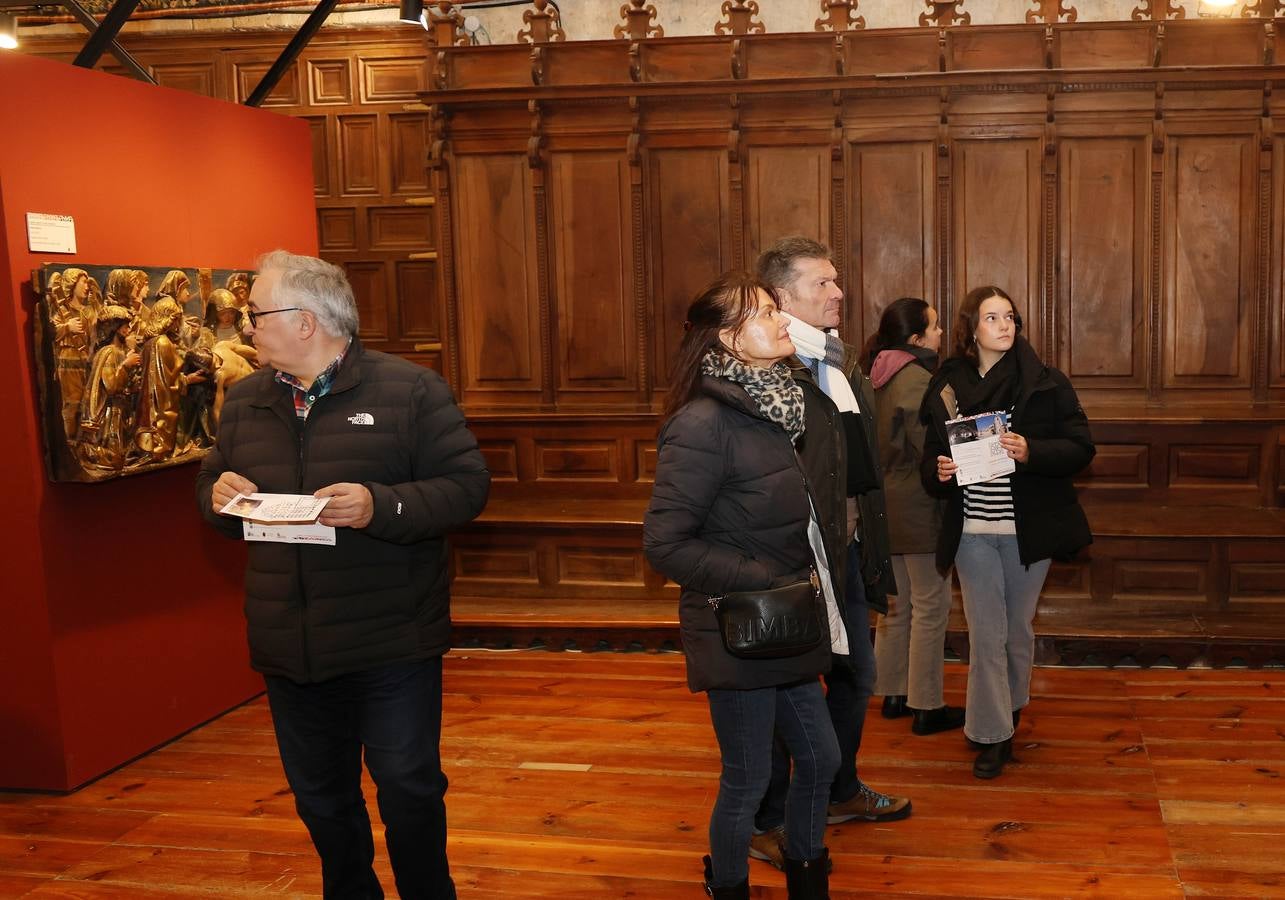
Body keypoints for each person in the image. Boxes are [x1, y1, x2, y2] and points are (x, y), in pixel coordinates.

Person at [196, 249, 490, 899]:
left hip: (390, 638)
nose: (247, 327)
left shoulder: (410, 391)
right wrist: (217, 497)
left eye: (256, 314)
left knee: (408, 786)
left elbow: (467, 489)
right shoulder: (244, 401)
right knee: (321, 796)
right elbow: (211, 494)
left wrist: (379, 504)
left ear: (305, 322)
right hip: (288, 640)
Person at [644, 270, 840, 900]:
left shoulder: (776, 405)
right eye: (764, 313)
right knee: (750, 777)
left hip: (787, 615)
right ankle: (729, 886)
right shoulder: (703, 425)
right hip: (737, 624)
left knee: (820, 760)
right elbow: (666, 543)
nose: (783, 320)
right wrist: (758, 578)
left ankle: (808, 879)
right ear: (727, 339)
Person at [748, 238, 908, 870]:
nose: (838, 292)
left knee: (855, 676)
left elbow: (856, 468)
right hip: (792, 558)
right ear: (781, 297)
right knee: (781, 690)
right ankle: (768, 816)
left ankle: (838, 790)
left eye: (837, 282)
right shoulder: (766, 367)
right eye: (822, 284)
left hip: (844, 549)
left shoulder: (835, 364)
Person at [920, 285, 1094, 779]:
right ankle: (992, 734)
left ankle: (1010, 708)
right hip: (972, 531)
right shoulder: (946, 385)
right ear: (970, 328)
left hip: (1028, 532)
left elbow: (1082, 448)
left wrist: (1030, 450)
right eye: (992, 317)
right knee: (987, 634)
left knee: (1016, 631)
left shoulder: (1046, 382)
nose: (1004, 325)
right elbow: (928, 460)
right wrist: (939, 472)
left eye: (1010, 316)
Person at [861, 298, 964, 736]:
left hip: (881, 507)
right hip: (921, 505)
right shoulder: (921, 380)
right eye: (935, 327)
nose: (940, 334)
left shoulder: (870, 377)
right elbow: (935, 450)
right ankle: (927, 704)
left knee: (895, 607)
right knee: (930, 607)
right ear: (916, 339)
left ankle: (892, 694)